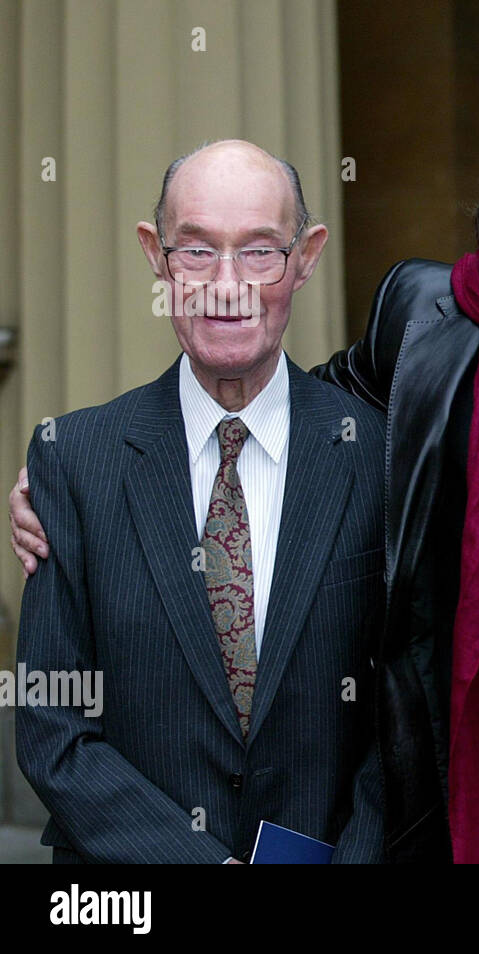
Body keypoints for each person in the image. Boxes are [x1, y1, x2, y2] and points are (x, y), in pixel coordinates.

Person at [10, 50, 479, 863]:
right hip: (407, 825)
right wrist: (69, 471)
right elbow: (273, 398)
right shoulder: (428, 331)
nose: (229, 284)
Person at [13, 140, 386, 863]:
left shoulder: (378, 457)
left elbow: (407, 717)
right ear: (155, 254)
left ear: (306, 256)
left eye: (258, 252)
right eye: (196, 251)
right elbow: (52, 726)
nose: (227, 284)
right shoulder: (74, 461)